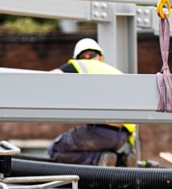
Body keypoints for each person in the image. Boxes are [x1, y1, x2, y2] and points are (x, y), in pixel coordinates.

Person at [47, 38, 136, 167]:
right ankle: (122, 160)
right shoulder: (115, 72)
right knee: (99, 151)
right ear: (100, 57)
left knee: (55, 149)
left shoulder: (79, 65)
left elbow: (47, 78)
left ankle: (98, 159)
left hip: (99, 132)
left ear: (78, 57)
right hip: (122, 136)